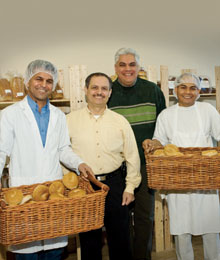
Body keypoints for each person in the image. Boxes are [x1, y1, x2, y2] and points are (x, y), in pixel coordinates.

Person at [0, 60, 94, 260]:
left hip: (53, 194)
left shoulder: (59, 116)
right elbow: (0, 152)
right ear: (27, 81)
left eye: (49, 81)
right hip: (23, 195)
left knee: (54, 251)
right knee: (27, 252)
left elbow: (62, 149)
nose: (44, 84)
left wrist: (79, 163)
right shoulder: (10, 115)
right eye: (39, 79)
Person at [143, 73, 220, 260]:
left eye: (193, 88)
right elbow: (159, 141)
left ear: (199, 92)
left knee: (211, 230)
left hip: (205, 179)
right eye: (183, 87)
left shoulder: (208, 110)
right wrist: (151, 143)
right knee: (181, 231)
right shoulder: (166, 114)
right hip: (178, 180)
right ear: (175, 90)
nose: (188, 92)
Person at [66, 72, 141, 260]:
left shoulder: (120, 121)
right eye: (94, 87)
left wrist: (130, 187)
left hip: (115, 185)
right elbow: (62, 153)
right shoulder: (69, 121)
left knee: (121, 240)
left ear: (110, 92)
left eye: (104, 88)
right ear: (85, 90)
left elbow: (132, 156)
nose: (99, 92)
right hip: (84, 187)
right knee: (89, 242)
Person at [108, 47, 166, 260]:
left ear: (138, 67)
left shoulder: (153, 91)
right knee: (120, 218)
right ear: (115, 68)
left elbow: (163, 127)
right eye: (122, 65)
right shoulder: (108, 92)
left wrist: (157, 143)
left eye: (132, 64)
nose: (127, 69)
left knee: (144, 217)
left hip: (144, 165)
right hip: (116, 167)